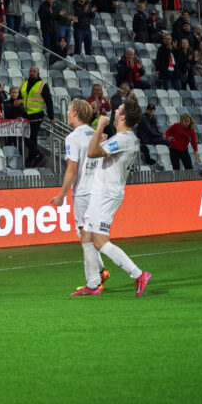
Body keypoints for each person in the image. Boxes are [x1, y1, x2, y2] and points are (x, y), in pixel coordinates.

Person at [74, 98, 151, 296]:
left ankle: (139, 274)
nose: (115, 111)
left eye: (118, 110)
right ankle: (93, 284)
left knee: (100, 241)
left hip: (106, 194)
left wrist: (99, 126)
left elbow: (92, 152)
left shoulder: (124, 139)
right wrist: (101, 139)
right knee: (86, 235)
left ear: (123, 117)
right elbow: (99, 151)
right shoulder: (125, 138)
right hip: (102, 191)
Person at [51, 98, 109, 292]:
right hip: (98, 190)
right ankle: (100, 271)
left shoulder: (73, 138)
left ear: (75, 113)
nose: (67, 113)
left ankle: (93, 282)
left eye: (69, 110)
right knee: (87, 233)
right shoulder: (95, 134)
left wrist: (61, 195)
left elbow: (72, 169)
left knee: (85, 235)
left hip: (83, 192)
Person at [19, 66, 54, 167]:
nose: (32, 72)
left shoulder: (43, 85)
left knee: (30, 137)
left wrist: (51, 117)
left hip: (36, 115)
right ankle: (34, 156)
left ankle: (34, 156)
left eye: (34, 71)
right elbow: (20, 97)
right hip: (26, 115)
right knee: (30, 138)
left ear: (38, 73)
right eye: (30, 71)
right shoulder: (23, 84)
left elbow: (48, 101)